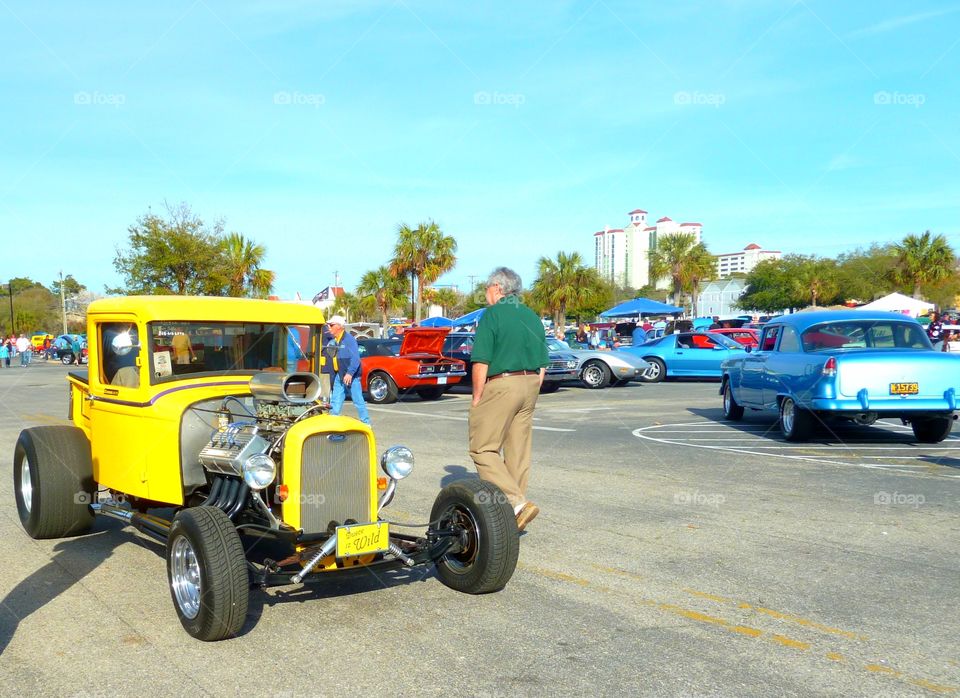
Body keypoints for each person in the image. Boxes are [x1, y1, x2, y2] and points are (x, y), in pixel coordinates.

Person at [468, 267, 550, 532]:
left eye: (486, 289)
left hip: (502, 383)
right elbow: (542, 364)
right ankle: (514, 513)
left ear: (497, 288)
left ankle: (516, 503)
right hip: (530, 384)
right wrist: (532, 386)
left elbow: (481, 360)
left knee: (482, 447)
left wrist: (477, 396)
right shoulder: (532, 316)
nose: (486, 294)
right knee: (518, 451)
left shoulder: (492, 315)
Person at [324, 315, 370, 425]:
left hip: (351, 377)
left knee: (358, 400)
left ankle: (366, 423)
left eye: (331, 325)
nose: (329, 328)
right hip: (339, 375)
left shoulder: (349, 340)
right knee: (336, 400)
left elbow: (356, 359)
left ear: (339, 326)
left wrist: (349, 373)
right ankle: (332, 422)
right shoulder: (335, 340)